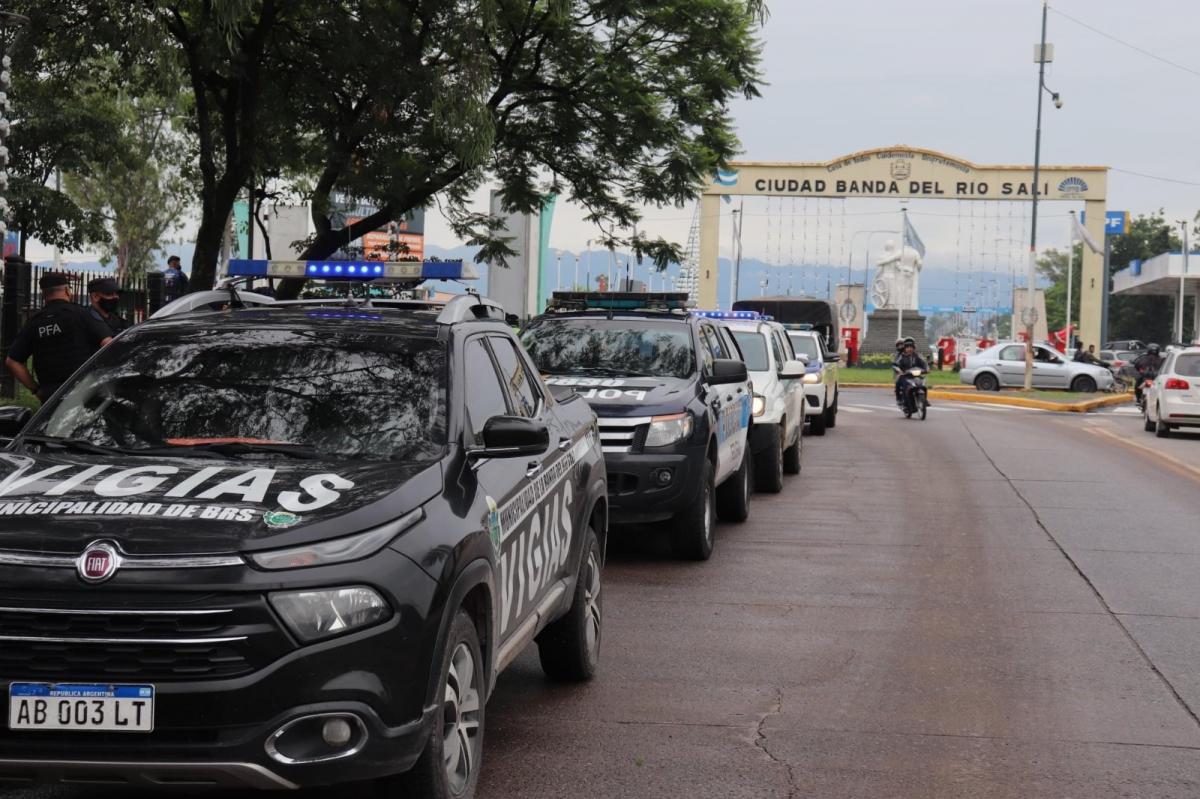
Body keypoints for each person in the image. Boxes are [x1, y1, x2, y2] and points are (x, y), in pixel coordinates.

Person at [5, 273, 113, 402]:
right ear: (67, 291)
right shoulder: (83, 314)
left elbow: (12, 362)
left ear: (44, 295)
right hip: (85, 392)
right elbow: (109, 345)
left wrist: (36, 390)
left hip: (52, 399)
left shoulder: (33, 322)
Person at [893, 337, 930, 408]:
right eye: (907, 347)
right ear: (905, 348)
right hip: (905, 376)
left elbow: (924, 363)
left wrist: (927, 369)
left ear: (914, 348)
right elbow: (896, 364)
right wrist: (899, 371)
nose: (909, 349)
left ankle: (924, 400)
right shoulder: (901, 356)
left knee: (923, 385)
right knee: (900, 384)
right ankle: (900, 400)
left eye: (911, 347)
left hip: (917, 375)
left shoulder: (917, 356)